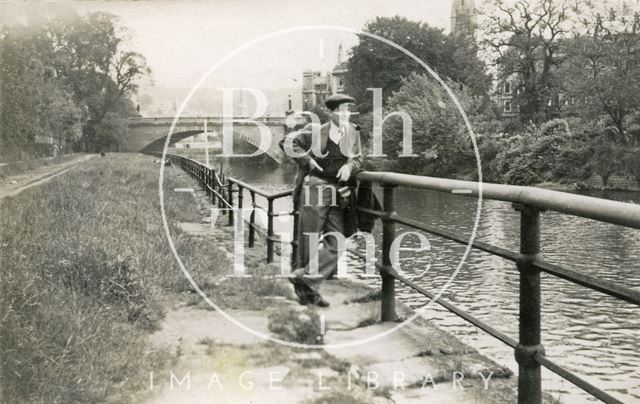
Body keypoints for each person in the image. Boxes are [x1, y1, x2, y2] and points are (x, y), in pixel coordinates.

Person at [280, 94, 363, 307]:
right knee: (309, 240)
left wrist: (349, 166)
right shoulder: (316, 130)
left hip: (338, 192)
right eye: (340, 110)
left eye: (347, 110)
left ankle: (305, 278)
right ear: (330, 113)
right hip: (315, 187)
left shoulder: (353, 132)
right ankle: (310, 294)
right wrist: (307, 160)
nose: (345, 114)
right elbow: (287, 142)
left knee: (337, 242)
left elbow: (359, 157)